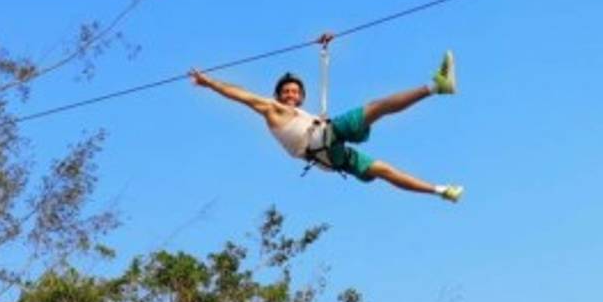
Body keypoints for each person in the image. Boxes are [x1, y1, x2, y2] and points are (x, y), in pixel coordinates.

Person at [190, 46, 463, 202]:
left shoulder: (305, 115)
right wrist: (209, 82)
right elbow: (240, 95)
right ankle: (435, 87)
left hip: (328, 155)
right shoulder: (272, 110)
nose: (290, 95)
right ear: (277, 95)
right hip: (322, 143)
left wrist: (324, 47)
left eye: (295, 92)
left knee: (382, 169)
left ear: (301, 96)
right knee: (374, 109)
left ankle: (441, 191)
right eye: (286, 91)